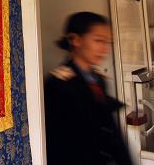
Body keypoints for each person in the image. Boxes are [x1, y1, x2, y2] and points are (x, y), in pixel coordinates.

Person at [44, 12, 132, 165]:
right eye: (98, 40)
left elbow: (109, 128)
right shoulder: (58, 84)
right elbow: (57, 142)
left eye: (107, 42)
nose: (105, 49)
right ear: (75, 40)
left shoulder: (97, 78)